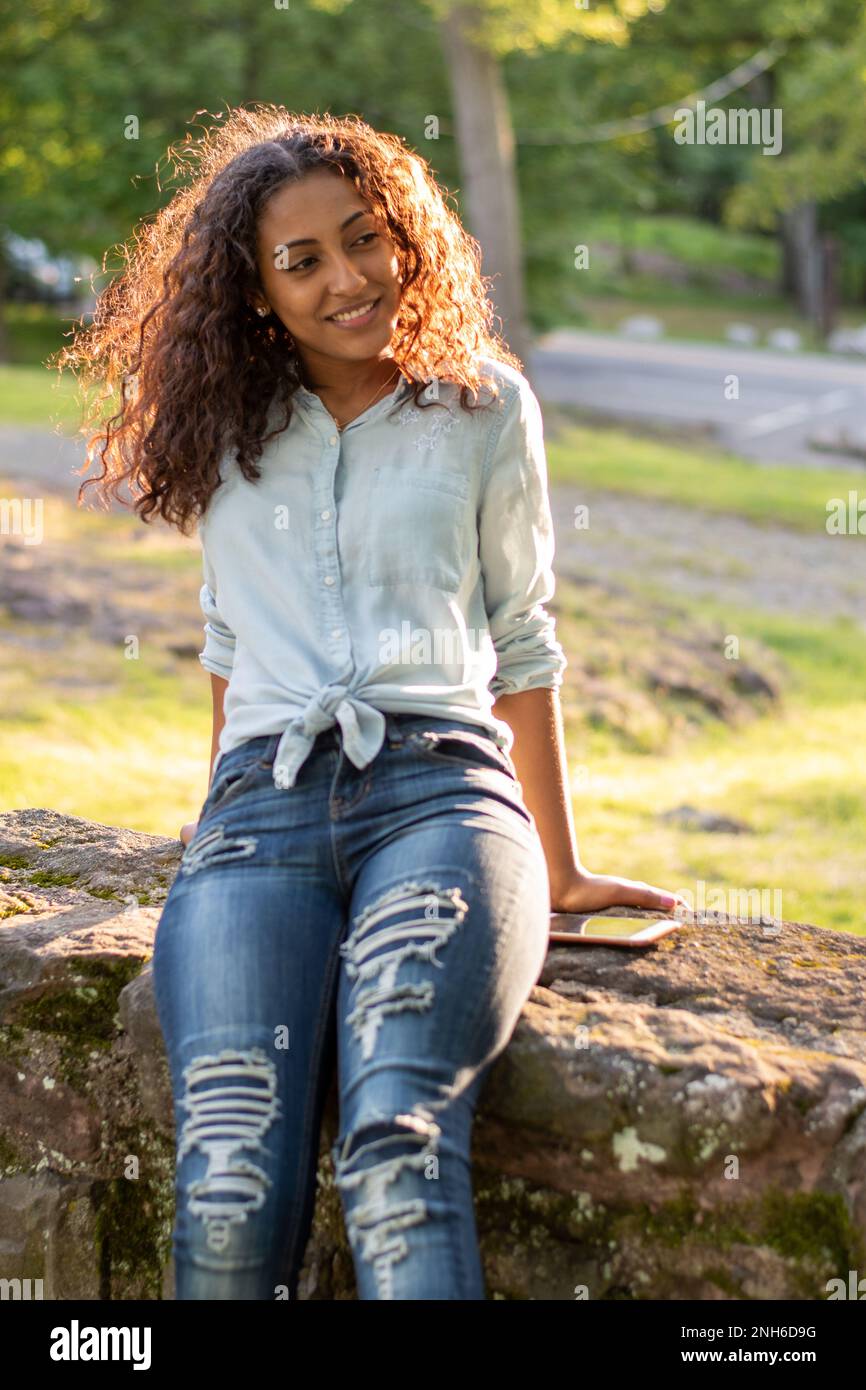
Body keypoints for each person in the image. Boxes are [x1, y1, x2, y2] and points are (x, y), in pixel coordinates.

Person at [59, 106, 685, 1300]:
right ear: (254, 290)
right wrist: (217, 827)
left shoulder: (482, 403)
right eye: (302, 261)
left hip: (441, 796)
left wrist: (554, 865)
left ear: (406, 235)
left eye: (365, 238)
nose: (348, 278)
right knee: (231, 1174)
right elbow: (231, 636)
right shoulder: (229, 419)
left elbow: (520, 640)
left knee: (398, 1138)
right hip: (262, 814)